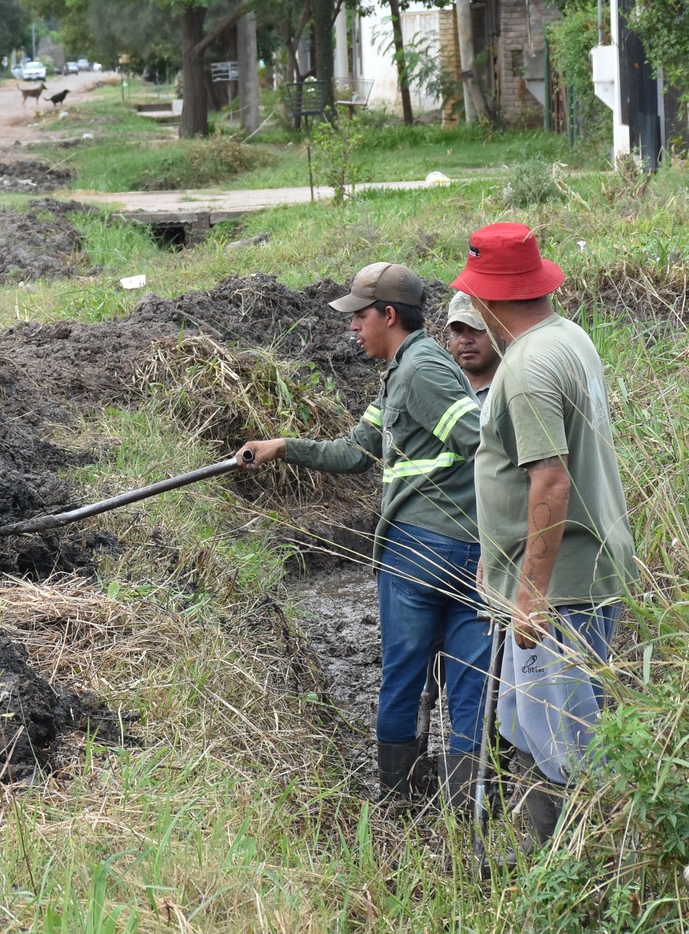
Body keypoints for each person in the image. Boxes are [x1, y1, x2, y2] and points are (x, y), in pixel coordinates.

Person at [237, 261, 488, 805]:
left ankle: (404, 796)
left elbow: (484, 443)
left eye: (359, 316)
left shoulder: (422, 371)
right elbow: (356, 452)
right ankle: (457, 798)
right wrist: (282, 446)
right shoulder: (401, 372)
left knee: (409, 672)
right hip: (460, 548)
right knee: (466, 675)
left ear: (390, 315)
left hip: (425, 547)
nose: (352, 327)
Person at [453, 222, 636, 839]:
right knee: (525, 722)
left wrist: (530, 593)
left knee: (567, 746)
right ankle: (541, 859)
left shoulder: (527, 368)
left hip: (557, 592)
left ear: (486, 296)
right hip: (566, 574)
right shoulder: (569, 338)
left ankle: (587, 871)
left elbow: (550, 482)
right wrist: (499, 559)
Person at [445, 290, 500, 405]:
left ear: (500, 332)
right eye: (457, 330)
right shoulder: (444, 387)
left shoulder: (512, 388)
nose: (465, 340)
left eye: (476, 329)